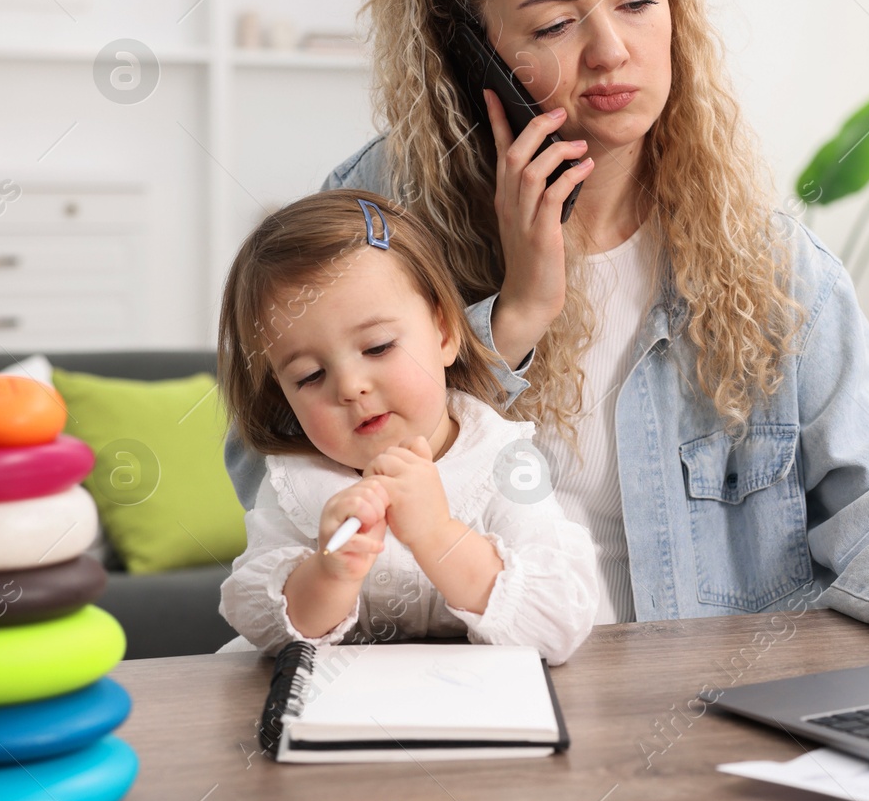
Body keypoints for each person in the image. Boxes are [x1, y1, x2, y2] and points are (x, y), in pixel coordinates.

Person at [225, 0, 869, 647]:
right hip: (457, 707)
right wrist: (505, 327)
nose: (611, 48)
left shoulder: (767, 261)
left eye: (637, 1)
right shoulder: (377, 219)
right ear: (473, 56)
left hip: (695, 712)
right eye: (552, 24)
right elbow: (274, 471)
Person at [215, 189, 596, 663]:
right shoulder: (298, 481)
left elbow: (559, 623)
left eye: (377, 348)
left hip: (481, 709)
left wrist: (438, 533)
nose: (350, 387)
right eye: (310, 376)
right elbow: (263, 629)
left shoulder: (502, 460)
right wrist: (328, 574)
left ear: (443, 333)